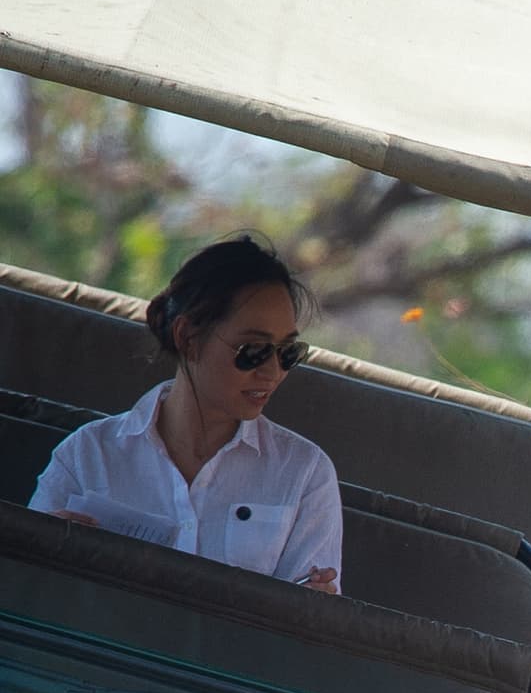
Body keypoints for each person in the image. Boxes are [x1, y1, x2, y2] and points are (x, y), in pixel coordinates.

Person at [29, 234, 341, 591]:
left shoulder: (305, 473)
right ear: (188, 337)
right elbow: (22, 592)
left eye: (288, 352)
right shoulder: (86, 455)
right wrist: (44, 557)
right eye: (253, 350)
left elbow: (307, 614)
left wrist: (313, 601)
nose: (272, 372)